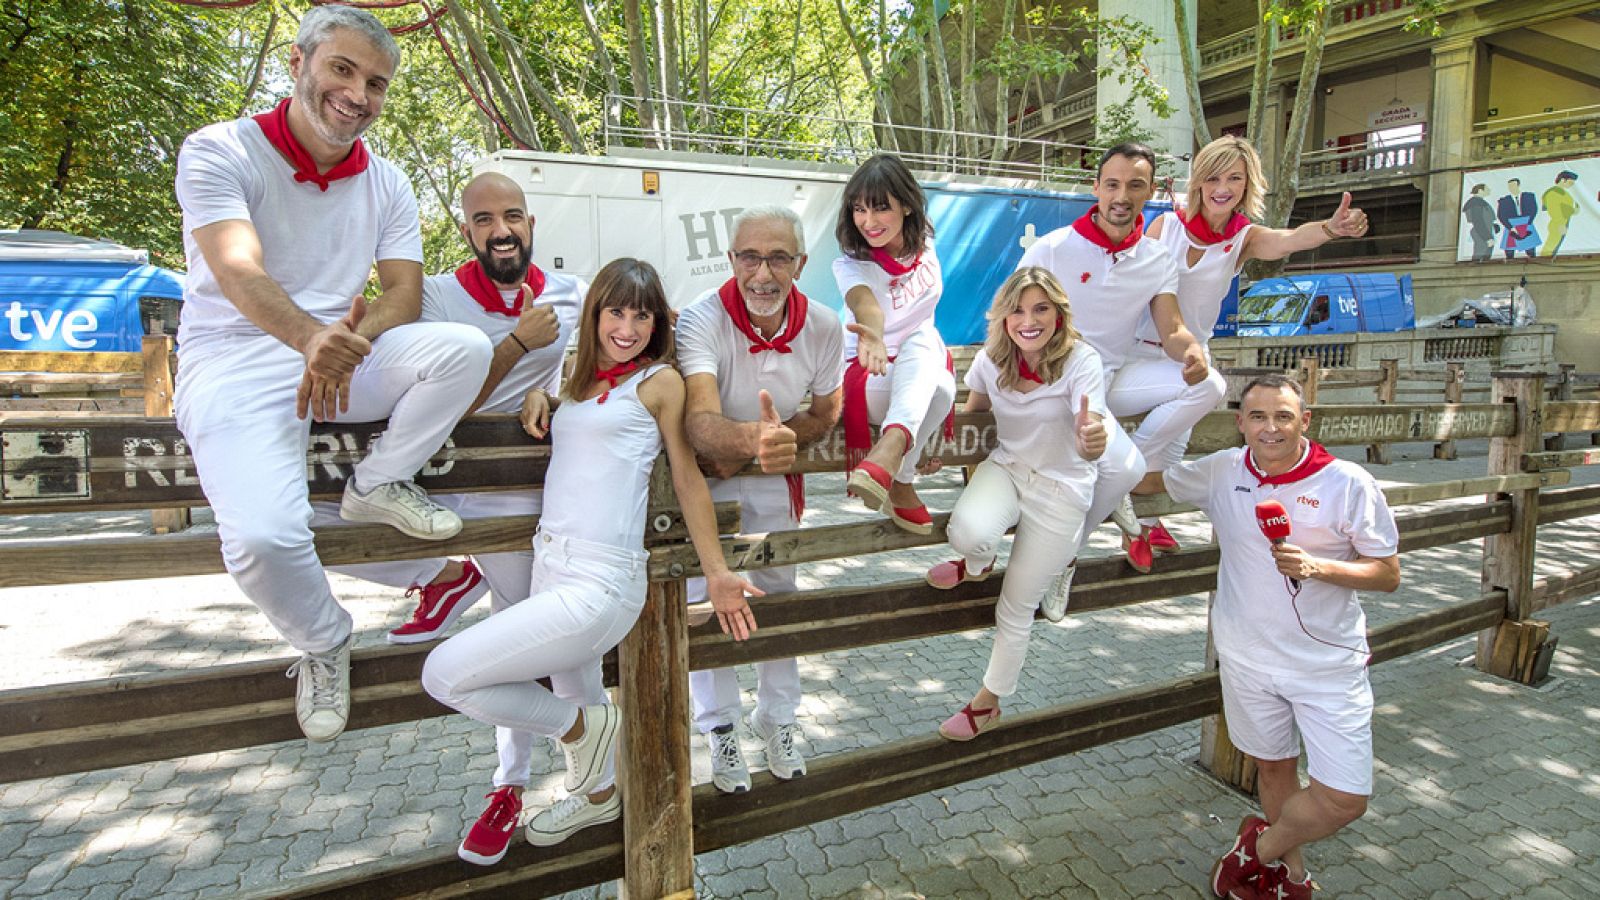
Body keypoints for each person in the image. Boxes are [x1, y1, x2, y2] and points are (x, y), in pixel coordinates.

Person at [173, 5, 493, 743]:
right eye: (342, 70)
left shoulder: (387, 181)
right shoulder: (219, 149)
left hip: (343, 352)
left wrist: (346, 337)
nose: (358, 95)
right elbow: (235, 268)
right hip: (236, 359)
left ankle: (378, 483)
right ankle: (323, 641)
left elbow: (405, 297)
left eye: (376, 83)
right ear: (298, 62)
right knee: (262, 537)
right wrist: (307, 337)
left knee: (462, 348)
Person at [421, 258, 762, 856]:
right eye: (615, 312)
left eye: (641, 315)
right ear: (596, 313)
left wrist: (718, 570)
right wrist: (541, 395)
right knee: (574, 687)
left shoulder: (658, 381)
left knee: (445, 674)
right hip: (551, 562)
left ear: (656, 323)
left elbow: (686, 479)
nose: (626, 328)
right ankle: (599, 798)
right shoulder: (577, 381)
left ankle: (582, 729)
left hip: (602, 581)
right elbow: (575, 423)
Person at [1143, 374, 1399, 900]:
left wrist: (1319, 567)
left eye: (1283, 416)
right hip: (1247, 656)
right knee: (1274, 765)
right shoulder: (1222, 470)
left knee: (1345, 799)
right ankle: (1290, 876)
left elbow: (1387, 573)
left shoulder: (1347, 482)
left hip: (1327, 663)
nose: (1271, 428)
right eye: (1258, 416)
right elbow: (1148, 480)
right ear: (1241, 424)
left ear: (1304, 421)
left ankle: (1251, 852)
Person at [316, 172, 580, 648]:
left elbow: (611, 364)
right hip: (426, 477)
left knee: (523, 630)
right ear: (466, 232)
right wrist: (518, 344)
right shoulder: (435, 297)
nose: (501, 230)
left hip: (509, 481)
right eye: (484, 219)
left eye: (512, 216)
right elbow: (447, 400)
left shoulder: (571, 293)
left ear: (531, 223)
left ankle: (542, 719)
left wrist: (553, 395)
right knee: (302, 527)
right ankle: (445, 576)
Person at [1129, 136, 1369, 551]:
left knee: (1176, 441)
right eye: (1215, 177)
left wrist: (1330, 229)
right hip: (1143, 348)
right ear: (1200, 181)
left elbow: (1288, 239)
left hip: (1191, 353)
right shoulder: (1166, 225)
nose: (1223, 187)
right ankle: (1120, 473)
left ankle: (1145, 522)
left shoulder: (1242, 238)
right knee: (1192, 409)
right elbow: (1132, 285)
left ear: (1247, 185)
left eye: (1235, 178)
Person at [677, 206, 845, 792]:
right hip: (708, 485)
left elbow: (827, 412)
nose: (762, 273)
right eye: (750, 256)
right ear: (731, 260)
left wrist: (781, 440)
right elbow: (699, 419)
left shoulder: (825, 324)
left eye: (778, 257)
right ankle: (719, 726)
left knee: (779, 597)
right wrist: (756, 440)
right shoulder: (701, 317)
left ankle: (777, 718)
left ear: (800, 263)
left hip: (778, 484)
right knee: (708, 597)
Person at [1015, 142, 1210, 617]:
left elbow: (1172, 329)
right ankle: (1064, 555)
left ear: (1150, 192)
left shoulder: (1157, 257)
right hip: (1061, 378)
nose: (1122, 195)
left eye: (1135, 185)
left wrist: (1192, 353)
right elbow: (1010, 318)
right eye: (1113, 184)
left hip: (1112, 377)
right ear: (1097, 188)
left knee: (1211, 386)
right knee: (1120, 469)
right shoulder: (1053, 248)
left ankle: (1065, 549)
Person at [924, 268, 1106, 741]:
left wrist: (1093, 437)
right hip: (1007, 468)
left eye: (1041, 308)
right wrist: (936, 446)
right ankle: (978, 562)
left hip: (1062, 489)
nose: (1029, 320)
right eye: (1018, 310)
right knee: (967, 532)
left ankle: (988, 703)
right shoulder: (991, 359)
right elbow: (973, 413)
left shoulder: (1082, 360)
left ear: (1059, 314)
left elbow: (1093, 433)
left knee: (1016, 607)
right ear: (1003, 317)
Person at [833, 154, 957, 535]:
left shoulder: (927, 247)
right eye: (859, 209)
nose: (868, 222)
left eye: (880, 208)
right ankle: (899, 473)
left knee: (934, 368)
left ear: (906, 204)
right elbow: (865, 305)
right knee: (928, 356)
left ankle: (893, 461)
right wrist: (871, 330)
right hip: (872, 374)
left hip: (918, 378)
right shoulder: (851, 264)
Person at [1496, 178, 1540, 259]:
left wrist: (1528, 223)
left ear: (1518, 185)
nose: (1511, 188)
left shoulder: (1529, 196)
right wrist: (1510, 227)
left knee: (1530, 249)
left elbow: (1534, 210)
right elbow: (1501, 215)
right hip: (1511, 225)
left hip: (1527, 223)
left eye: (1513, 185)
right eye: (1509, 186)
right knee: (1509, 250)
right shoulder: (1504, 200)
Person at [1541, 171, 1579, 258]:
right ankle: (1544, 260)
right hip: (1558, 223)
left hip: (1563, 222)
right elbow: (1554, 210)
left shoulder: (1564, 193)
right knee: (1552, 246)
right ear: (1562, 180)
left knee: (1556, 245)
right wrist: (1573, 211)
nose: (1571, 185)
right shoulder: (1553, 193)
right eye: (1570, 182)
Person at [1461, 183, 1496, 262]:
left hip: (1484, 231)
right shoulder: (1476, 203)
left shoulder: (1478, 202)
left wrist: (1494, 226)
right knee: (1481, 254)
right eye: (1487, 189)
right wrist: (1487, 238)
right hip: (1481, 233)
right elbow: (1478, 221)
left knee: (1484, 254)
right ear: (1480, 190)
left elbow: (1484, 219)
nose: (1489, 190)